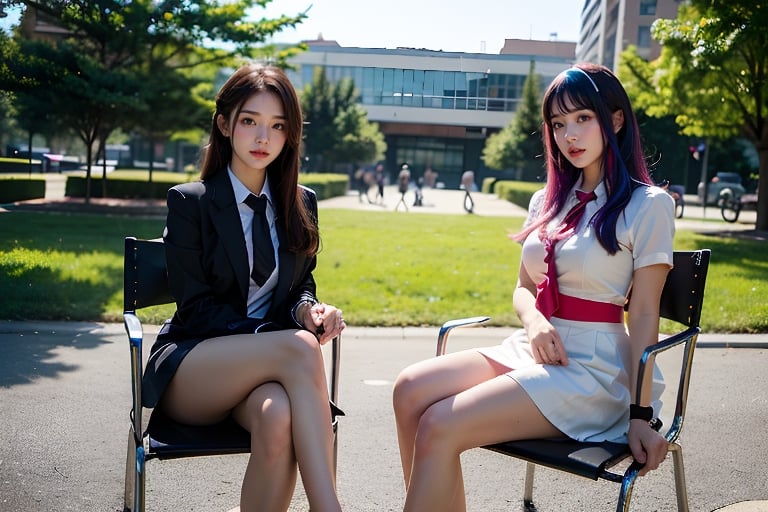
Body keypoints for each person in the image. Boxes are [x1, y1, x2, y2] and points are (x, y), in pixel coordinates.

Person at [392, 63, 674, 511]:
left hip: (594, 369)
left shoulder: (648, 205)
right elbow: (524, 286)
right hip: (536, 344)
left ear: (615, 120)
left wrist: (640, 415)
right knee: (409, 389)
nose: (570, 135)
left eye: (583, 118)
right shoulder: (547, 201)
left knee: (440, 424)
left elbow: (642, 313)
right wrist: (535, 321)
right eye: (559, 124)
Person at [141, 63, 345, 512]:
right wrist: (271, 337)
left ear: (289, 135)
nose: (262, 138)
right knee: (299, 348)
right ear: (225, 124)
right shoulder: (190, 203)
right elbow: (195, 308)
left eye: (277, 126)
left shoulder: (300, 203)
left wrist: (307, 311)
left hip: (266, 373)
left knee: (279, 417)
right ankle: (328, 508)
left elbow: (298, 285)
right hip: (194, 367)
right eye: (250, 121)